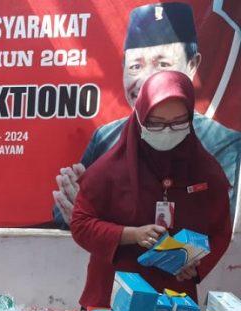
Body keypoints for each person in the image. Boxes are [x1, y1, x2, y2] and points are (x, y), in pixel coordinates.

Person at [53, 2, 241, 228]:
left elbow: (216, 225)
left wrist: (99, 219)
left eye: (163, 64)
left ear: (192, 66)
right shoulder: (105, 137)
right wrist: (77, 209)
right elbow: (64, 215)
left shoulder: (224, 144)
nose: (147, 81)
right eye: (135, 66)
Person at [71, 70, 231, 308]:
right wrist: (131, 234)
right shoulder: (108, 170)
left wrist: (197, 266)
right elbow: (81, 224)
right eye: (155, 123)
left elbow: (220, 232)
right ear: (139, 117)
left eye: (178, 122)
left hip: (174, 302)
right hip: (112, 298)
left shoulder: (206, 172)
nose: (167, 131)